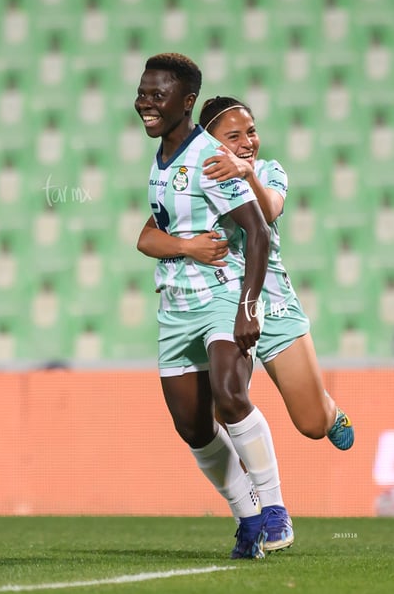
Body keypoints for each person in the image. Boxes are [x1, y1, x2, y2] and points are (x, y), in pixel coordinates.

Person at [134, 53, 293, 559]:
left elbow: (258, 231)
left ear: (187, 102)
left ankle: (273, 509)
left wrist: (249, 305)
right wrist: (186, 246)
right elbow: (148, 237)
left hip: (222, 295)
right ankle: (247, 519)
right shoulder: (161, 159)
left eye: (157, 95)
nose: (144, 103)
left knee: (229, 395)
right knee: (194, 427)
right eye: (142, 92)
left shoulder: (209, 158)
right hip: (175, 305)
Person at [138, 95, 354, 452]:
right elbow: (147, 237)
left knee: (313, 425)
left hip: (273, 305)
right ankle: (253, 504)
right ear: (209, 143)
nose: (247, 143)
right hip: (221, 306)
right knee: (228, 409)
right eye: (233, 137)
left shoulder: (270, 171)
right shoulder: (194, 180)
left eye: (251, 132)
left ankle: (329, 412)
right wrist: (188, 247)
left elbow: (267, 213)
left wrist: (247, 172)